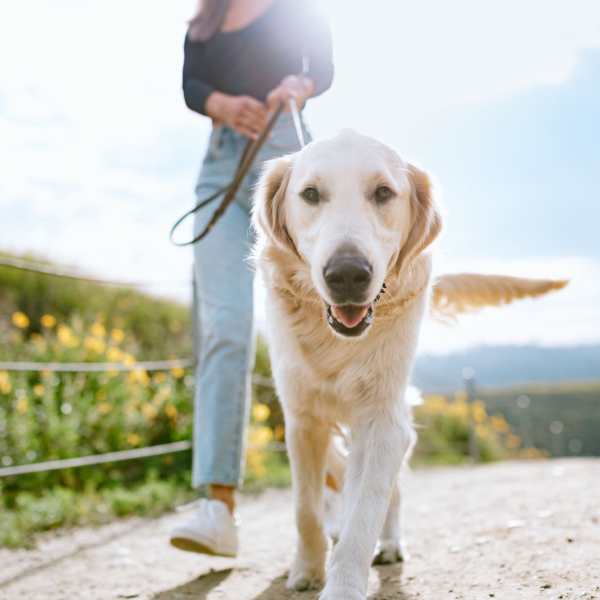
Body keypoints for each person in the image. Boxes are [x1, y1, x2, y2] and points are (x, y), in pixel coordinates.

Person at [169, 0, 334, 557]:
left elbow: (324, 67)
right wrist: (220, 102)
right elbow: (192, 84)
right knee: (226, 325)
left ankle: (335, 477)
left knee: (315, 320)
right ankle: (218, 507)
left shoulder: (297, 9)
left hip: (289, 160)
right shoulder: (205, 20)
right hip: (219, 167)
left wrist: (298, 83)